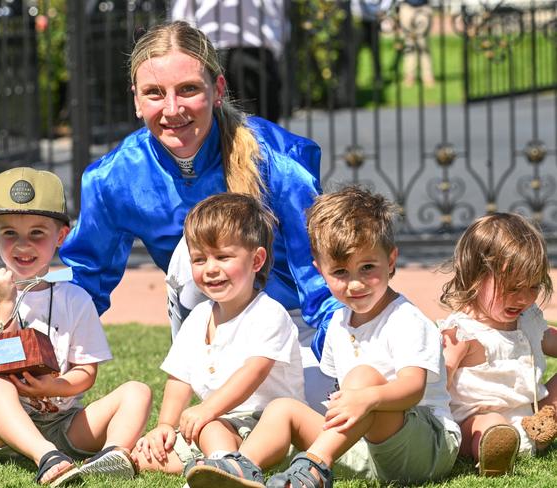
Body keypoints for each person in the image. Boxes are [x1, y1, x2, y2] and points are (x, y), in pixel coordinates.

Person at [59, 20, 340, 411]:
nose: (172, 110)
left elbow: (322, 274)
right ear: (137, 100)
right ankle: (209, 384)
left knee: (334, 417)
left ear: (218, 90)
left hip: (296, 327)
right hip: (216, 329)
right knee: (191, 252)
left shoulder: (279, 159)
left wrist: (349, 361)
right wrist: (46, 366)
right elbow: (84, 286)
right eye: (155, 94)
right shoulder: (114, 177)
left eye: (188, 89)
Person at [184, 185, 461, 487]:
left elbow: (412, 389)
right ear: (320, 271)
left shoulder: (405, 319)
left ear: (391, 260)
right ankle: (239, 468)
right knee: (283, 408)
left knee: (362, 378)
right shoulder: (340, 323)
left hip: (425, 444)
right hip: (365, 446)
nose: (355, 284)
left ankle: (314, 467)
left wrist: (365, 398)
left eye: (367, 267)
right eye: (340, 272)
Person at [0, 167, 152, 487]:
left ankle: (113, 455)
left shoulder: (74, 297)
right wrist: (5, 303)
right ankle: (45, 457)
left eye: (37, 233)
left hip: (60, 419)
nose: (23, 245)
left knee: (137, 392)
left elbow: (85, 374)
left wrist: (52, 388)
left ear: (60, 236)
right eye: (9, 233)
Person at [132, 193, 305, 479]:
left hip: (269, 427)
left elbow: (254, 372)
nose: (211, 269)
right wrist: (165, 425)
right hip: (220, 424)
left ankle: (225, 467)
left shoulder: (268, 314)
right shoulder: (199, 317)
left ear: (257, 260)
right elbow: (180, 378)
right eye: (199, 259)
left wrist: (207, 409)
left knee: (208, 427)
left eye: (223, 257)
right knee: (150, 452)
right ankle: (217, 464)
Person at [438, 213, 557, 476]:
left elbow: (551, 339)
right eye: (513, 288)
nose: (524, 298)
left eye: (533, 287)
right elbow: (438, 382)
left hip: (534, 419)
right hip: (477, 421)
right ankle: (494, 452)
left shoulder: (529, 319)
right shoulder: (462, 332)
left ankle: (534, 434)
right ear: (475, 276)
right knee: (488, 424)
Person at [171, 0, 285, 122]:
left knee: (260, 123)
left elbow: (182, 12)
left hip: (251, 47)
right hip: (214, 48)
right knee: (217, 121)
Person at [398, 0, 435, 87]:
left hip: (423, 6)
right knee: (409, 44)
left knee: (422, 43)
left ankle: (427, 76)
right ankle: (409, 76)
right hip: (407, 7)